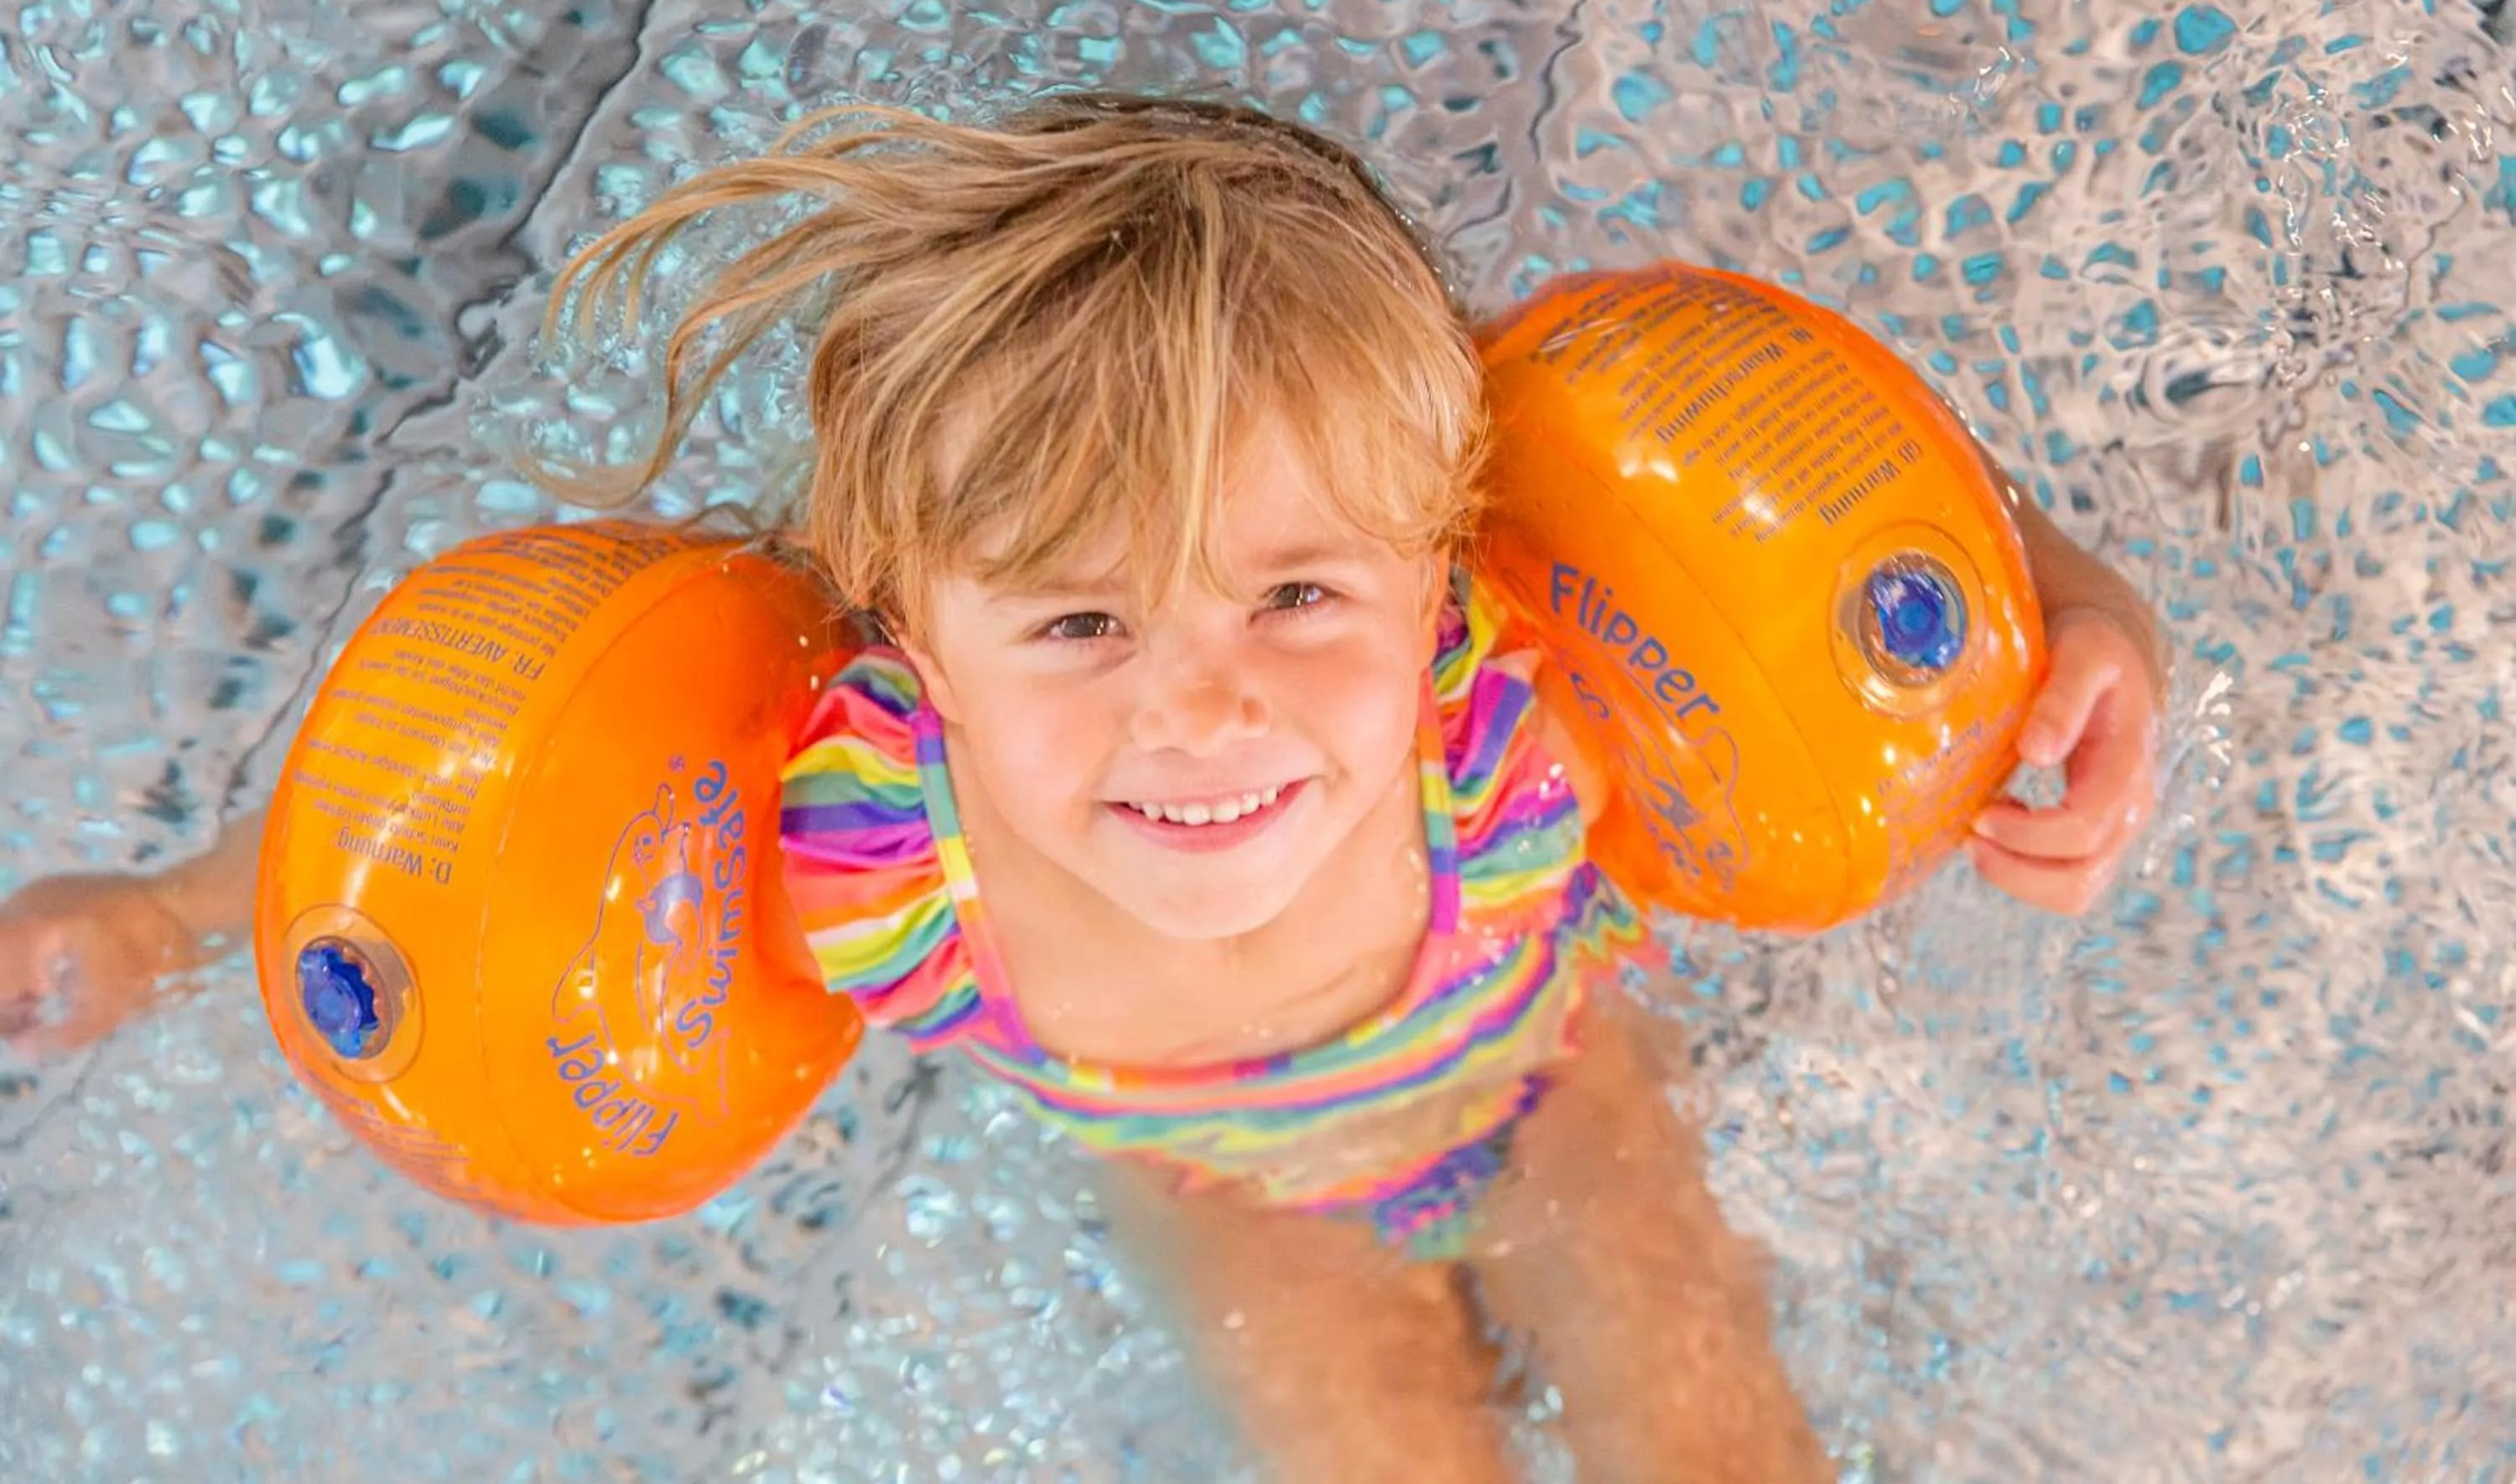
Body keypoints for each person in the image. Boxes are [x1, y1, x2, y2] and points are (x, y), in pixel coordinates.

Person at [0, 95, 2165, 1481]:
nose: (1199, 713)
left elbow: (1865, 539)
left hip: (1557, 1087)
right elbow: (440, 843)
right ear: (904, 635)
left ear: (1449, 551)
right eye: (1076, 627)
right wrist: (168, 919)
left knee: (1723, 1453)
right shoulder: (856, 836)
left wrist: (2081, 625)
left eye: (1301, 597)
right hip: (1234, 1193)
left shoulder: (1520, 677)